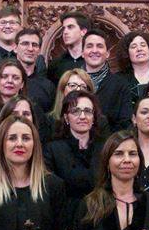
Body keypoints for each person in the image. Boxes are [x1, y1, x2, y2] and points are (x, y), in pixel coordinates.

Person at [44, 90, 104, 222]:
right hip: (65, 218)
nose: (82, 116)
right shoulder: (53, 150)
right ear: (66, 118)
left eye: (88, 111)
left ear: (94, 117)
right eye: (75, 111)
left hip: (100, 217)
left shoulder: (104, 149)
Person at [82, 30, 132, 131]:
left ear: (108, 53)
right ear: (82, 53)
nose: (94, 50)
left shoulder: (121, 85)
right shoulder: (72, 82)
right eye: (89, 46)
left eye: (99, 46)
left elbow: (124, 123)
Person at [114, 31, 149, 114]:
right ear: (127, 53)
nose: (139, 49)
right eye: (133, 46)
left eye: (143, 45)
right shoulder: (118, 80)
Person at [15, 29, 57, 114]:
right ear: (15, 48)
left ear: (39, 50)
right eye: (25, 44)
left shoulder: (48, 87)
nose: (30, 49)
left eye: (34, 45)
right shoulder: (5, 81)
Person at [47, 10, 90, 83]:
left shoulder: (92, 60)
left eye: (70, 27)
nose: (65, 32)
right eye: (64, 28)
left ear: (83, 32)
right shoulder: (55, 64)